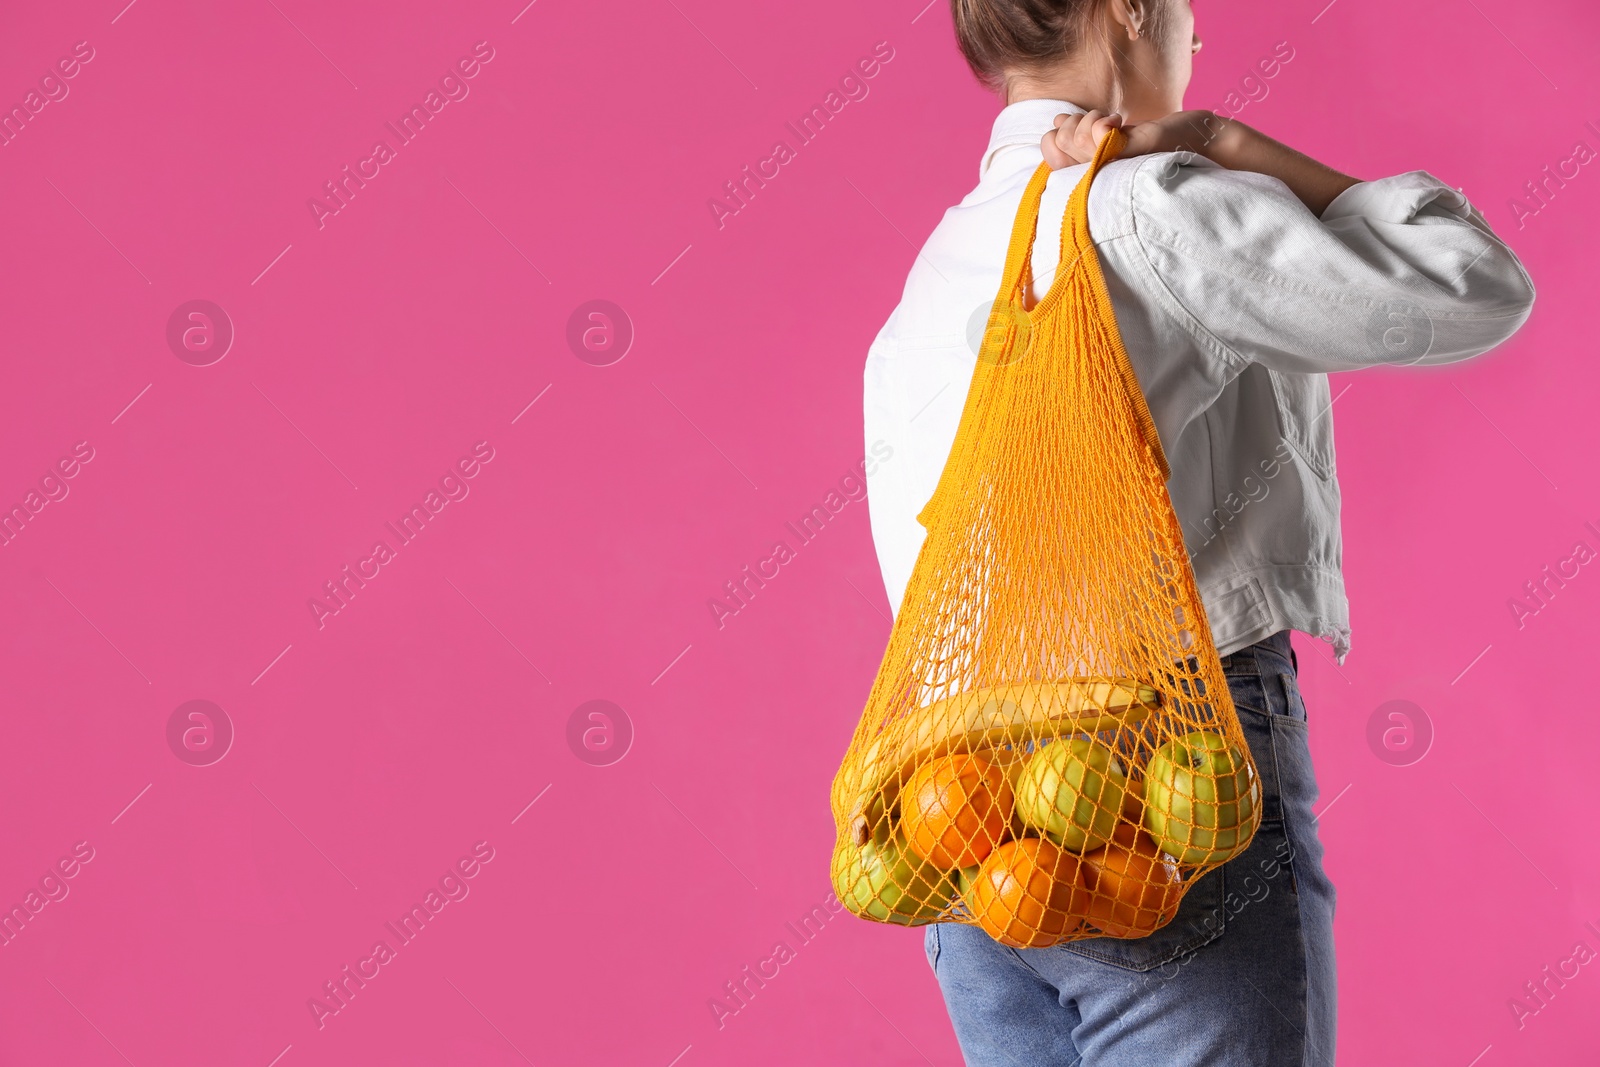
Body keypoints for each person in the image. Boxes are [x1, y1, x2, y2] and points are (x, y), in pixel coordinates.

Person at [860, 0, 1536, 1063]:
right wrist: (1226, 142)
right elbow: (1474, 285)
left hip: (966, 829)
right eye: (1182, 11)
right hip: (1161, 790)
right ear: (1128, 12)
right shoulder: (1149, 206)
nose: (1194, 37)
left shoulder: (939, 261)